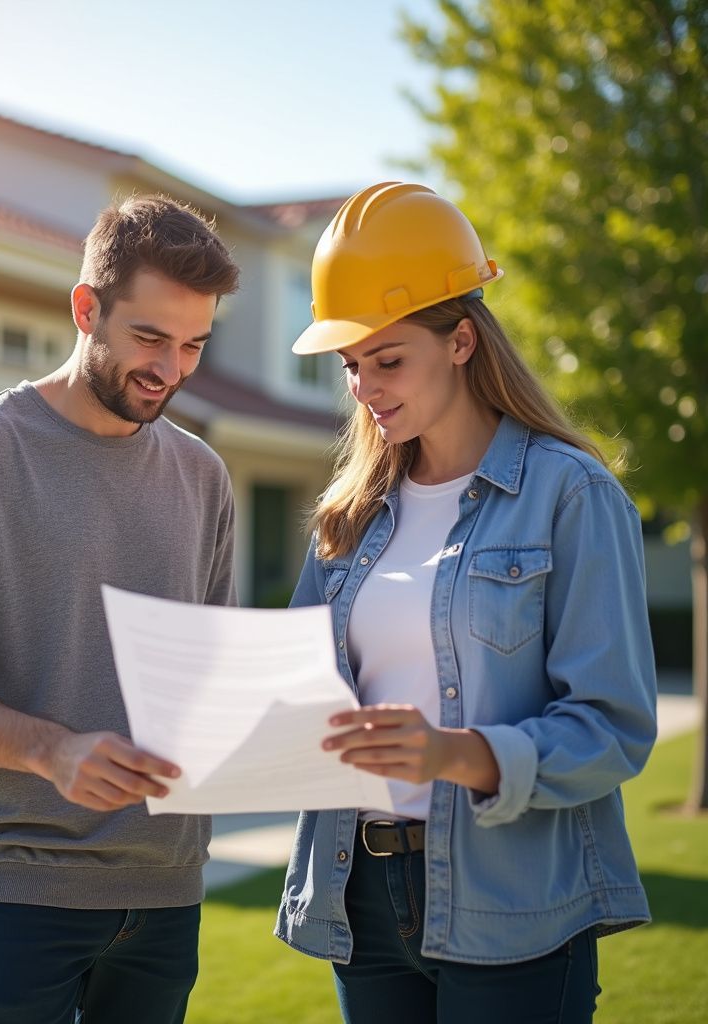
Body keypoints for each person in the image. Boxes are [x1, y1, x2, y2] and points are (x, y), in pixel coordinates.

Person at [274, 182, 657, 1023]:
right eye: (351, 367)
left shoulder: (570, 495)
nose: (365, 389)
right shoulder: (348, 514)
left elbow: (614, 725)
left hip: (515, 904)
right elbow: (294, 691)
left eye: (388, 359)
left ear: (461, 342)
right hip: (361, 897)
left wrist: (452, 754)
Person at [0, 194, 240, 1023]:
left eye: (192, 346)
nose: (171, 370)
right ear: (86, 309)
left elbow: (212, 671)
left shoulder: (203, 476)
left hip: (166, 898)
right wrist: (52, 751)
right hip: (12, 896)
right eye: (149, 338)